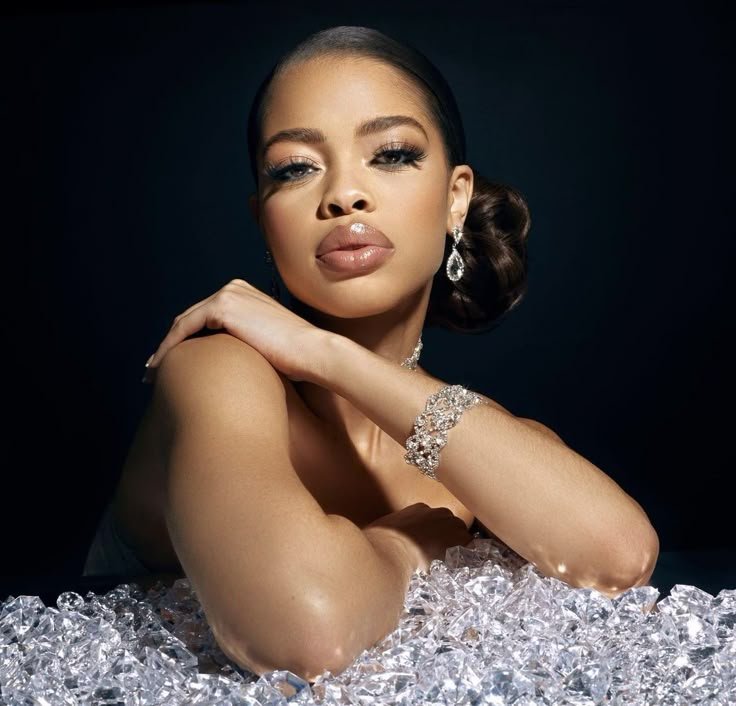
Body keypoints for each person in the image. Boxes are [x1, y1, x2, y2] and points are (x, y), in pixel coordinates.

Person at [83, 25, 659, 681]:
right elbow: (306, 638)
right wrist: (417, 545)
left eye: (390, 155)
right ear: (264, 222)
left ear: (455, 199)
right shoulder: (212, 373)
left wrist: (325, 355)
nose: (343, 195)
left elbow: (619, 557)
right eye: (295, 168)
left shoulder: (473, 444)